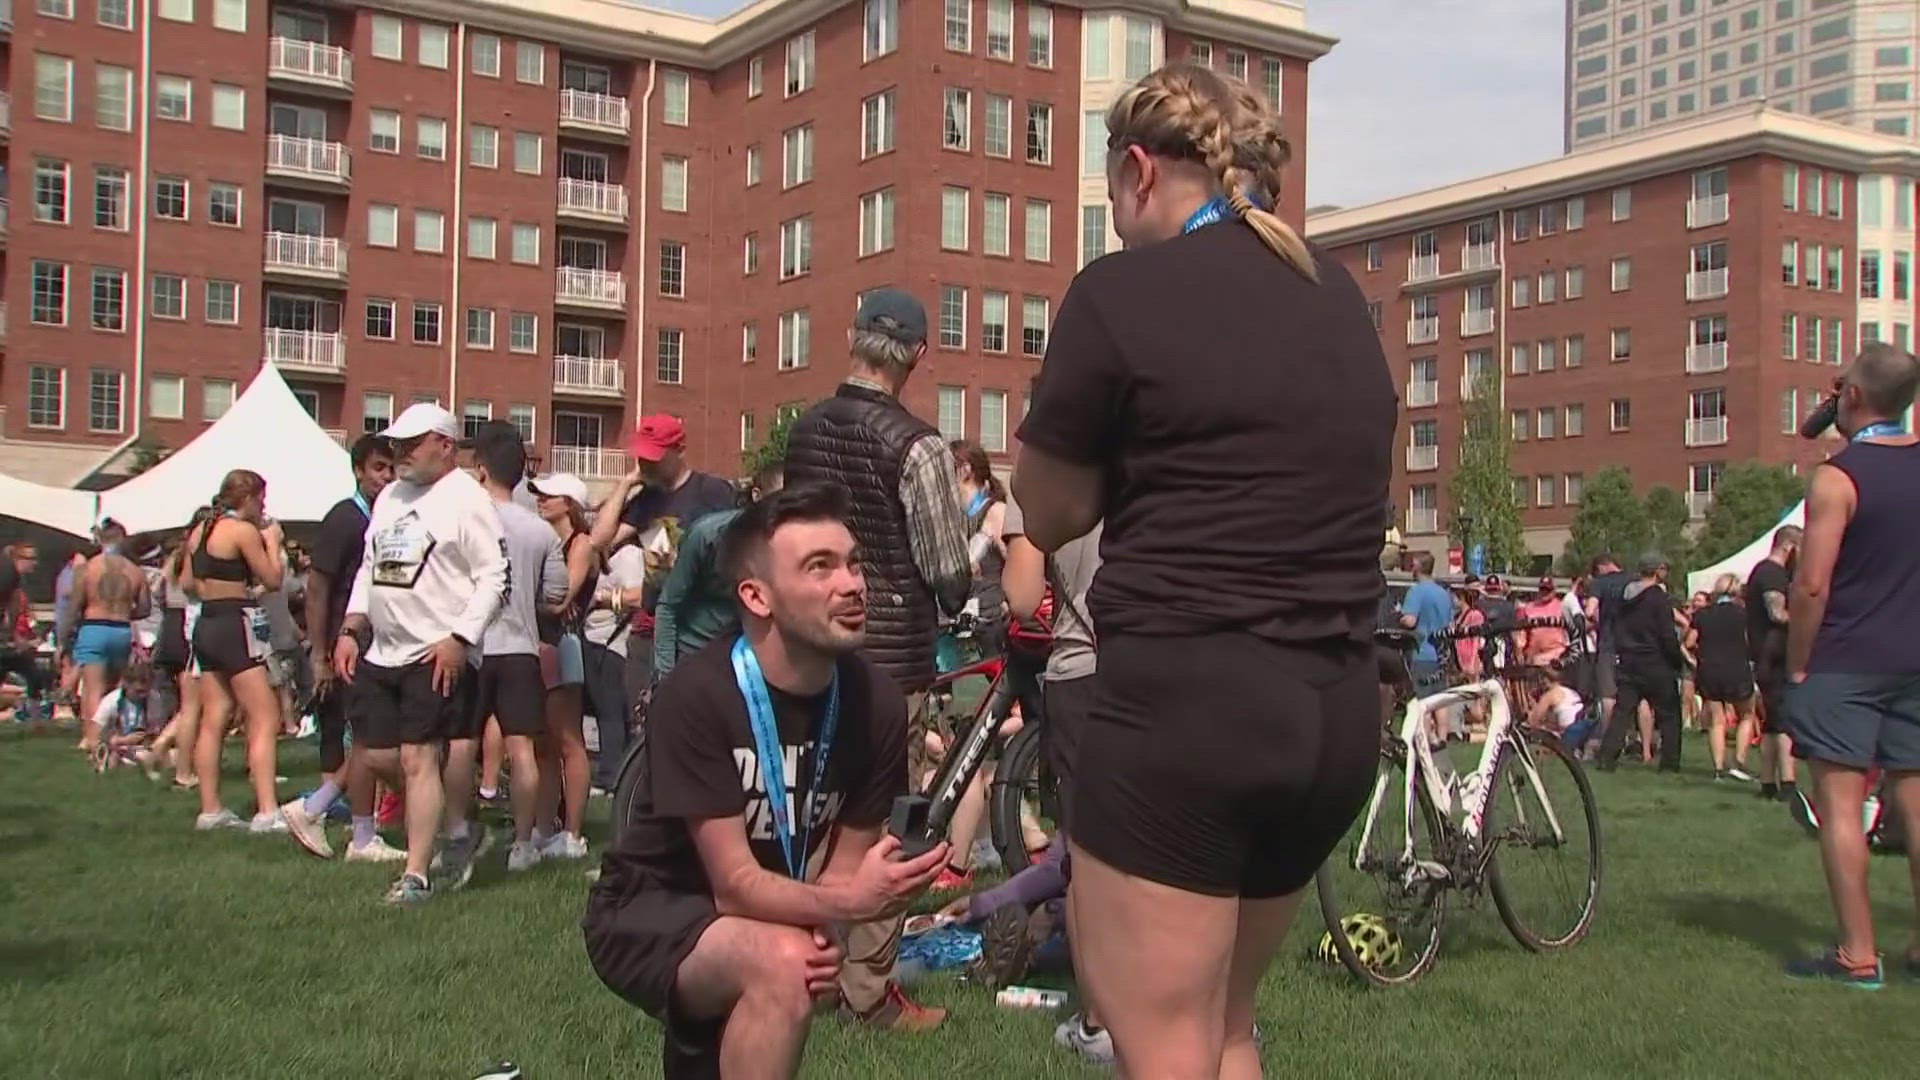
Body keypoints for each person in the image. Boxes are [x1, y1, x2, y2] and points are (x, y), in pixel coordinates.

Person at [1013, 62, 1394, 1077]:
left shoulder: (1119, 292)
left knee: (1162, 1041)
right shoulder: (1336, 293)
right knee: (1225, 1027)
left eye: (1109, 195)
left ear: (1139, 171)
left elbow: (1049, 512)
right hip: (1334, 708)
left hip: (1192, 708)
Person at [582, 482, 946, 1078]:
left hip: (776, 903)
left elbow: (846, 862)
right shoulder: (699, 696)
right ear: (757, 596)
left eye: (853, 564)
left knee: (795, 963)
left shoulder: (875, 701)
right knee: (782, 963)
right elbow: (734, 886)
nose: (852, 584)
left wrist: (829, 928)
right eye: (819, 567)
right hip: (653, 908)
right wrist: (847, 905)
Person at [781, 286, 971, 1032]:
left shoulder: (804, 431)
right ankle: (869, 992)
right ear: (918, 355)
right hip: (892, 655)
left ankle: (808, 970)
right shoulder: (917, 446)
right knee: (892, 822)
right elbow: (948, 566)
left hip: (812, 649)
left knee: (817, 817)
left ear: (851, 337)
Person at [1781, 344, 1920, 988]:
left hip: (1844, 660)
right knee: (1916, 804)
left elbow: (1811, 585)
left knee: (1842, 808)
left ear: (1853, 397)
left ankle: (1857, 954)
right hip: (1914, 660)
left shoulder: (1838, 477)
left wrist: (1799, 663)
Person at [335, 404, 508, 904]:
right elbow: (372, 566)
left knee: (418, 757)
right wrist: (352, 627)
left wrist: (460, 637)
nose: (400, 453)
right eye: (397, 444)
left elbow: (493, 575)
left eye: (412, 444)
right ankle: (455, 828)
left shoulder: (467, 500)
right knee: (380, 752)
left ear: (445, 446)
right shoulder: (390, 496)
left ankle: (416, 874)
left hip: (434, 651)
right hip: (383, 650)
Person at [1002, 497, 1110, 1062]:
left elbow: (1022, 600)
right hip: (1173, 672)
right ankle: (1214, 1010)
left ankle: (1100, 1022)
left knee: (1091, 858)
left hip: (1084, 670)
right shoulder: (1175, 446)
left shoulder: (1047, 473)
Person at [586, 414, 738, 777]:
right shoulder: (647, 499)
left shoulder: (712, 492)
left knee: (698, 719)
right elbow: (598, 540)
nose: (645, 462)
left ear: (679, 450)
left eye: (654, 455)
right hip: (650, 627)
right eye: (641, 455)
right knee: (647, 719)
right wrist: (626, 484)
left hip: (697, 628)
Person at [285, 435, 403, 862]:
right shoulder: (344, 520)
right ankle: (338, 820)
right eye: (378, 468)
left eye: (391, 468)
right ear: (357, 470)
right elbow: (318, 588)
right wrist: (320, 653)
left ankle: (339, 819)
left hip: (370, 643)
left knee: (372, 740)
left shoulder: (382, 517)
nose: (386, 477)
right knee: (373, 740)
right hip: (344, 644)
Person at [472, 432, 567, 875]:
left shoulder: (465, 518)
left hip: (469, 645)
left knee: (458, 744)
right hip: (519, 647)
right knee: (522, 748)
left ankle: (457, 830)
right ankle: (524, 843)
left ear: (481, 470)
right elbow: (556, 594)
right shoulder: (539, 529)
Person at [181, 474, 288, 832]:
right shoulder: (241, 531)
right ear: (248, 497)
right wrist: (272, 542)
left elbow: (186, 583)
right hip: (234, 623)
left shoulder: (199, 531)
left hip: (206, 623)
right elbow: (273, 579)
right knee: (265, 715)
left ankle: (210, 810)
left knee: (215, 716)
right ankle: (267, 811)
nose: (264, 507)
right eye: (262, 499)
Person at [933, 438, 1012, 892]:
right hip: (962, 639)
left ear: (964, 470)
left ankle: (959, 860)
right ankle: (1031, 838)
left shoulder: (993, 512)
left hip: (991, 641)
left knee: (971, 741)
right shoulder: (961, 519)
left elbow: (1018, 561)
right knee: (970, 745)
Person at [653, 465, 785, 681]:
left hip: (753, 664)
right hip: (696, 659)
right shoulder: (708, 535)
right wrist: (664, 677)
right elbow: (668, 606)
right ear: (756, 495)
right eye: (779, 500)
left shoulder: (789, 545)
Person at [532, 471, 601, 861]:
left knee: (569, 741)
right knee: (543, 744)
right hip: (540, 643)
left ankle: (573, 832)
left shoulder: (581, 543)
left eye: (549, 495)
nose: (541, 500)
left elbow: (562, 598)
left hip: (564, 644)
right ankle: (545, 827)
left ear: (569, 503)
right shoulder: (547, 540)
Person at [1595, 554, 1686, 773]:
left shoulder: (1623, 596)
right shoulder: (1658, 598)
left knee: (1622, 712)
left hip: (1628, 659)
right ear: (1658, 571)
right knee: (1669, 714)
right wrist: (1676, 659)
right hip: (1656, 661)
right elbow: (1666, 633)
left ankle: (1607, 758)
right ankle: (1670, 763)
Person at [69, 519, 150, 753]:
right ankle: (112, 734)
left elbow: (75, 605)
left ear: (100, 540)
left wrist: (66, 637)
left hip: (93, 627)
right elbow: (144, 608)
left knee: (92, 688)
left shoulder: (87, 568)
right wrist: (125, 611)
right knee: (114, 687)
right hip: (121, 629)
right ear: (123, 540)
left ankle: (91, 739)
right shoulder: (135, 571)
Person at [1746, 525, 1804, 800]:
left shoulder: (1762, 571)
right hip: (1775, 655)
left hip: (1765, 655)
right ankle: (1788, 783)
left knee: (1771, 723)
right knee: (1783, 721)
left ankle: (1767, 783)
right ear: (1789, 546)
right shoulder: (1772, 574)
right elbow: (1777, 613)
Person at [1686, 573, 1757, 782]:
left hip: (1710, 669)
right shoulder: (1744, 614)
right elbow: (1750, 641)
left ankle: (1718, 768)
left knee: (1716, 721)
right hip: (1737, 667)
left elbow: (1689, 642)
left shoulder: (1703, 614)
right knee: (1747, 714)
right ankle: (1738, 763)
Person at [1398, 552, 1455, 744]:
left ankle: (1425, 740)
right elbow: (1450, 623)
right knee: (1440, 699)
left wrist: (1399, 616)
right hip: (1441, 654)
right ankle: (1442, 738)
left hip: (1422, 652)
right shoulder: (1444, 593)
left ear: (1417, 567)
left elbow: (1410, 620)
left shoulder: (1416, 591)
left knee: (1421, 702)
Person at [0, 541, 52, 718]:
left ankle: (36, 718)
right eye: (30, 558)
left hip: (6, 640)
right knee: (32, 672)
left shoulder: (13, 576)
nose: (35, 563)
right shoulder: (7, 574)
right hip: (4, 640)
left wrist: (13, 635)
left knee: (32, 672)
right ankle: (36, 717)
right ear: (17, 558)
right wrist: (13, 636)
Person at [1586, 554, 1631, 720]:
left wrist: (1599, 621)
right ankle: (1644, 741)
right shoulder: (1634, 581)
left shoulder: (1600, 583)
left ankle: (1608, 736)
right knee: (1638, 696)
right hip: (1633, 646)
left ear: (1602, 567)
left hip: (1608, 644)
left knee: (1608, 696)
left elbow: (1589, 611)